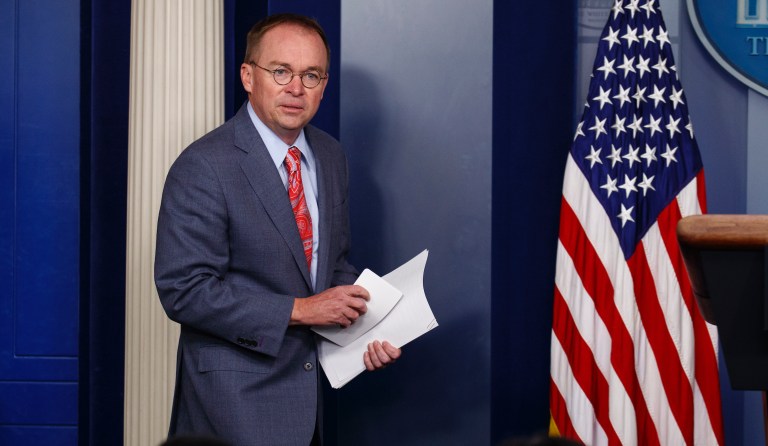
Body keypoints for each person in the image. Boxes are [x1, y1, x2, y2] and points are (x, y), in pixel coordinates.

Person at [154, 13, 401, 446]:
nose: (295, 89)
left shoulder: (330, 155)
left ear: (324, 86)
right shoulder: (204, 165)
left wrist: (369, 333)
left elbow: (330, 268)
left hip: (310, 400)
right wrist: (302, 310)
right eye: (281, 71)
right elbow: (185, 290)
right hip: (232, 404)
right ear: (249, 76)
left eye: (311, 75)